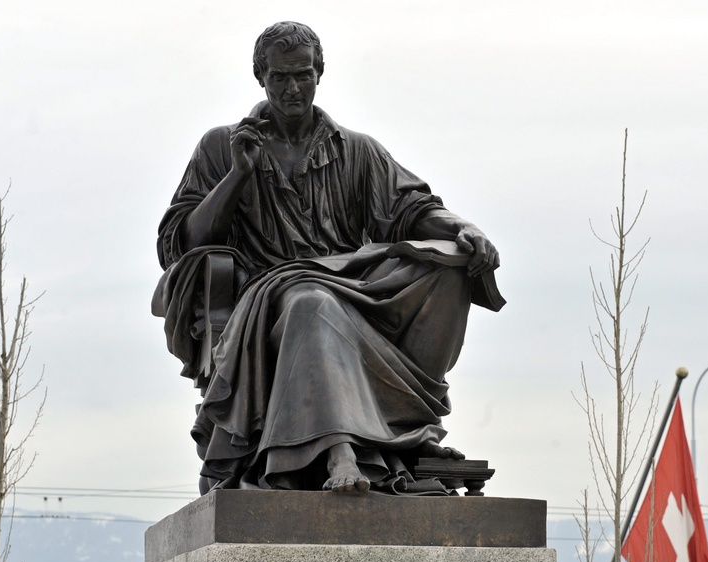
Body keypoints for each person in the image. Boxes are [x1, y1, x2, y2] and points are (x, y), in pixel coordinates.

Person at [154, 21, 501, 496]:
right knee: (311, 301)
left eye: (303, 75)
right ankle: (340, 450)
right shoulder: (222, 146)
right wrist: (238, 175)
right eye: (280, 77)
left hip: (352, 286)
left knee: (444, 269)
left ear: (320, 73)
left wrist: (465, 229)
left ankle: (407, 430)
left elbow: (413, 209)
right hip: (270, 296)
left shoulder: (357, 151)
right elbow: (182, 242)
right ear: (260, 76)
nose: (292, 88)